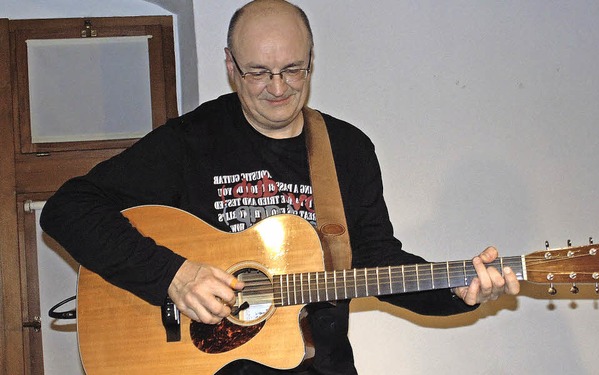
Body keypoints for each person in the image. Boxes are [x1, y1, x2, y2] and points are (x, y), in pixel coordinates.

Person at [40, 0, 520, 374]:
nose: (277, 87)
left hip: (319, 364)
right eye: (258, 72)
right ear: (230, 65)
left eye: (293, 69)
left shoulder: (347, 150)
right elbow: (67, 209)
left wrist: (456, 292)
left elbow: (374, 260)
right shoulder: (190, 141)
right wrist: (175, 275)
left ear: (311, 61)